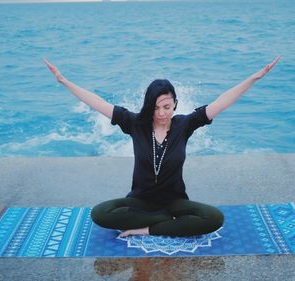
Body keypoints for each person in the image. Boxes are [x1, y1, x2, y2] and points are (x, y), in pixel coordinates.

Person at [44, 56, 280, 238]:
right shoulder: (136, 124)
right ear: (149, 106)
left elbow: (220, 103)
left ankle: (147, 229)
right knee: (99, 213)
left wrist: (254, 78)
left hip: (175, 202)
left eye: (166, 106)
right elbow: (98, 103)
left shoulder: (184, 125)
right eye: (156, 107)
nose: (161, 113)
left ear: (174, 104)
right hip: (140, 202)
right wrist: (64, 81)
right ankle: (166, 221)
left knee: (214, 218)